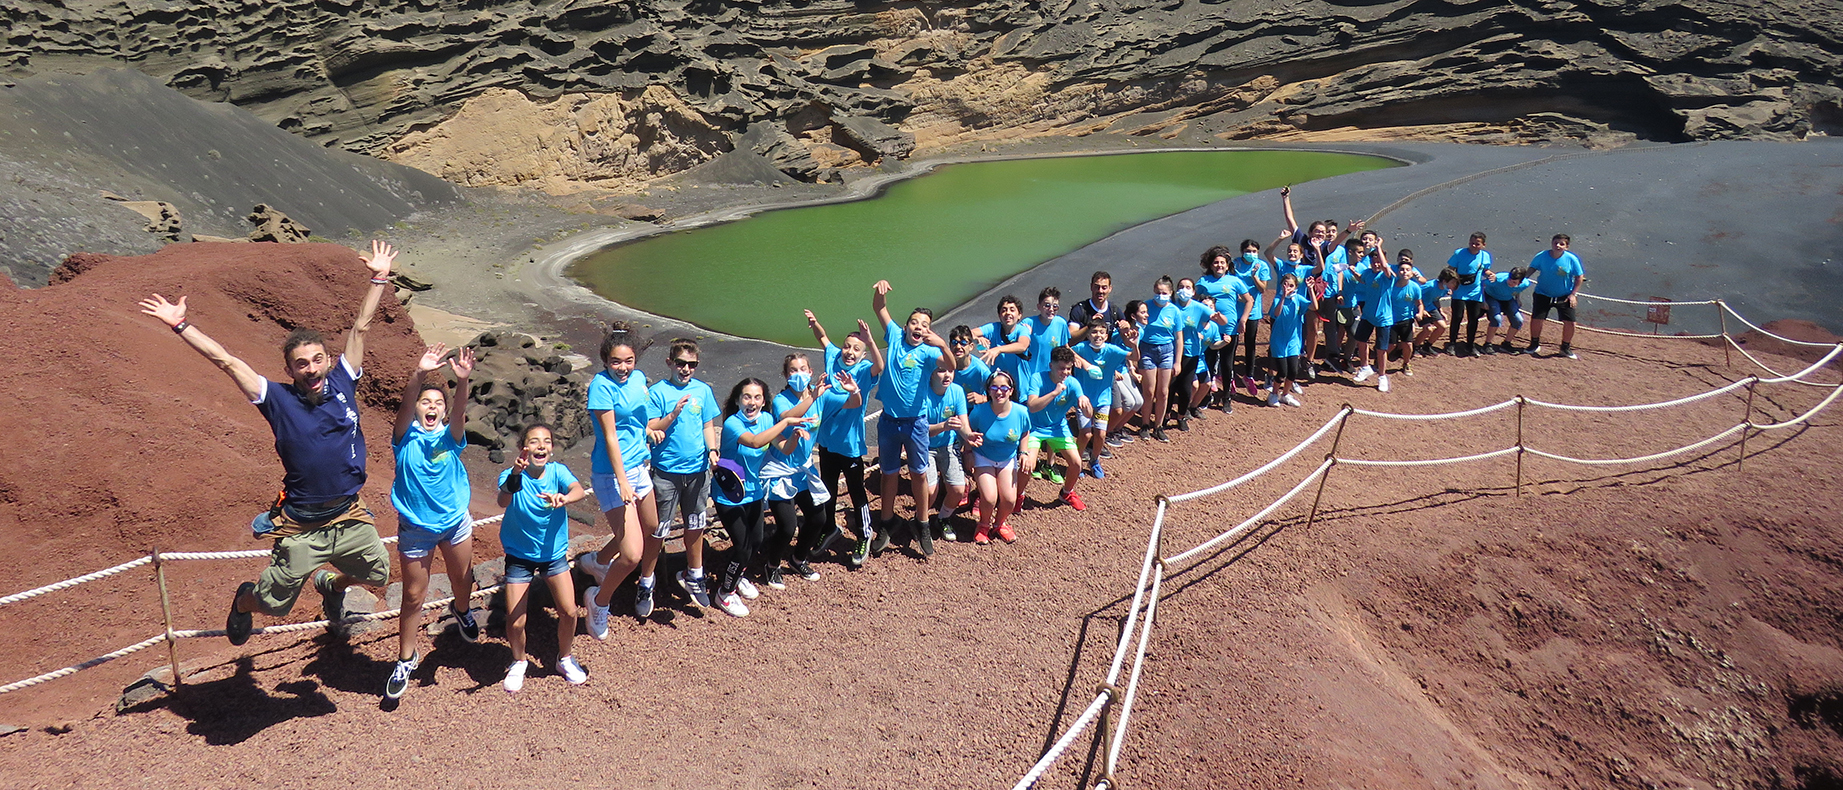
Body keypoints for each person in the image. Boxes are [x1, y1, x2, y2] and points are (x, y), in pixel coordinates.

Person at [140, 240, 397, 647]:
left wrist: (379, 277)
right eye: (301, 363)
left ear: (328, 360)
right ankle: (243, 602)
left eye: (317, 360)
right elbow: (225, 360)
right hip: (301, 525)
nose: (311, 369)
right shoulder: (276, 398)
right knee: (275, 605)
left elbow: (360, 327)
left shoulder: (345, 379)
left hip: (349, 513)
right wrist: (179, 324)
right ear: (289, 369)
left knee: (378, 573)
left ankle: (331, 584)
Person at [384, 342, 479, 700]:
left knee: (462, 578)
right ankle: (405, 658)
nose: (432, 407)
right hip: (416, 528)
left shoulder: (450, 438)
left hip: (454, 522)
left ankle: (462, 610)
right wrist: (419, 375)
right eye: (427, 402)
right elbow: (406, 405)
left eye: (438, 403)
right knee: (412, 595)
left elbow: (459, 414)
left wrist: (463, 382)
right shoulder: (403, 437)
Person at [495, 423, 589, 692]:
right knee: (516, 619)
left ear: (552, 448)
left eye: (546, 441)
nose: (541, 446)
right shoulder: (511, 475)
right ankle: (519, 661)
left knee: (569, 611)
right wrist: (516, 471)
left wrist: (564, 498)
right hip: (519, 555)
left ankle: (565, 658)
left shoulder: (557, 471)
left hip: (552, 554)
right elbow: (503, 500)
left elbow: (579, 491)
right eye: (534, 441)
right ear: (523, 447)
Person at [633, 339, 719, 624]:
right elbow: (650, 428)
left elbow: (707, 424)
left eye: (691, 365)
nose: (686, 369)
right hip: (666, 474)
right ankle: (646, 584)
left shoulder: (703, 391)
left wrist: (713, 450)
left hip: (697, 473)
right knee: (657, 532)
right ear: (669, 363)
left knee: (696, 525)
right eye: (681, 363)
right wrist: (673, 414)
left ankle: (695, 575)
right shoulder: (657, 392)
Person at [581, 323, 660, 629]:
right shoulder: (601, 386)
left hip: (640, 465)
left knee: (652, 526)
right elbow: (610, 437)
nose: (623, 368)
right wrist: (623, 481)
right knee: (631, 556)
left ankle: (598, 562)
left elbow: (638, 418)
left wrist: (649, 430)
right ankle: (598, 601)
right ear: (605, 360)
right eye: (616, 362)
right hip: (613, 474)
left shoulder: (639, 379)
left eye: (628, 361)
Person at [712, 378, 812, 617]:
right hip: (730, 495)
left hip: (755, 492)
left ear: (763, 401)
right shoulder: (733, 424)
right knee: (743, 547)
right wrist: (786, 421)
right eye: (747, 397)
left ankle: (738, 577)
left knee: (756, 541)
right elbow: (756, 442)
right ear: (737, 400)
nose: (752, 402)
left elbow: (783, 447)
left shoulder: (766, 420)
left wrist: (795, 436)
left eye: (757, 397)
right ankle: (725, 593)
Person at [869, 280, 955, 558]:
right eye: (914, 322)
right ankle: (886, 521)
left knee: (919, 473)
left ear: (929, 331)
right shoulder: (894, 335)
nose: (919, 327)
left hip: (917, 422)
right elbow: (879, 308)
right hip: (890, 421)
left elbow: (951, 366)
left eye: (925, 325)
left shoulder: (930, 351)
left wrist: (941, 343)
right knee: (888, 473)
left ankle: (923, 522)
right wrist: (879, 291)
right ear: (905, 326)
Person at [807, 312, 885, 567]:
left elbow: (880, 367)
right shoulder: (833, 359)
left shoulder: (863, 370)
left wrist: (871, 341)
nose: (850, 352)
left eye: (856, 349)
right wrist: (815, 323)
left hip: (850, 446)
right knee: (827, 489)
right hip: (827, 442)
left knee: (856, 491)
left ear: (862, 354)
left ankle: (864, 534)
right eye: (847, 346)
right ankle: (829, 528)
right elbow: (823, 338)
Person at [763, 355, 827, 579]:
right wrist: (813, 397)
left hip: (804, 472)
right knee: (787, 526)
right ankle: (771, 565)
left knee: (818, 518)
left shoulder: (820, 397)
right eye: (792, 371)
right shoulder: (781, 400)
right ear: (786, 375)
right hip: (780, 472)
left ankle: (798, 559)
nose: (798, 374)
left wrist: (855, 391)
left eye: (802, 369)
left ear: (810, 372)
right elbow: (789, 416)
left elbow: (850, 404)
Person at [1019, 345, 1092, 517]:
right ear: (1051, 365)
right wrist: (1054, 392)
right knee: (1028, 465)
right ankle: (1018, 497)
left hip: (1058, 428)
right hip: (1034, 427)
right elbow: (1032, 406)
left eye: (1068, 368)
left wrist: (1085, 402)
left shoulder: (1073, 383)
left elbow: (1088, 414)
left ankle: (1066, 492)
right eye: (1061, 368)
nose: (1065, 372)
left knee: (1076, 463)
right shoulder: (1038, 378)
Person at [960, 371, 1032, 544]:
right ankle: (983, 525)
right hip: (983, 456)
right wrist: (968, 453)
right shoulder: (979, 411)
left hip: (1007, 458)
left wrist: (1023, 453)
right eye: (994, 387)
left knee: (1009, 499)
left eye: (1004, 388)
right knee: (990, 496)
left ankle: (999, 524)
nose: (999, 392)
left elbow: (1024, 432)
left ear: (1011, 390)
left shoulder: (1021, 412)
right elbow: (969, 432)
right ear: (988, 391)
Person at [1073, 314, 1130, 478]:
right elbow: (1064, 349)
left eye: (1101, 332)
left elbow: (1133, 356)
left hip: (1102, 401)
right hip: (1084, 400)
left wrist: (1132, 343)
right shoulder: (1081, 348)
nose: (1098, 335)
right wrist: (1081, 361)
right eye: (1094, 332)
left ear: (1106, 335)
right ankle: (1076, 462)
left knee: (1101, 434)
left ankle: (1094, 460)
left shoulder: (1111, 350)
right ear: (1088, 334)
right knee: (1085, 434)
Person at [922, 363, 968, 548]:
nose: (947, 375)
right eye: (941, 370)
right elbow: (921, 431)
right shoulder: (922, 393)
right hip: (924, 447)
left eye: (950, 370)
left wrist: (970, 436)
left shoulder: (957, 391)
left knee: (958, 489)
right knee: (931, 490)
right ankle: (921, 522)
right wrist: (945, 426)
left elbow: (963, 423)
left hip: (948, 445)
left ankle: (942, 518)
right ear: (931, 373)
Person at [1172, 277, 1230, 424]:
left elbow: (1213, 345)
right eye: (1205, 306)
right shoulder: (1194, 319)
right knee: (1193, 385)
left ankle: (1193, 407)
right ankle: (1182, 410)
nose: (1208, 310)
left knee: (1207, 384)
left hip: (1199, 358)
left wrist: (1223, 342)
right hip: (1185, 354)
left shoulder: (1213, 327)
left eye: (1211, 307)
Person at [1135, 277, 1183, 443]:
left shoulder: (1175, 311)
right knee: (1149, 391)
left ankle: (1159, 426)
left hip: (1167, 351)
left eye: (1164, 293)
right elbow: (1137, 327)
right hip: (1147, 349)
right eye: (1157, 292)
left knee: (1163, 392)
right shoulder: (1146, 306)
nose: (1160, 296)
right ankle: (1145, 424)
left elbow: (1178, 338)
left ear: (1170, 293)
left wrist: (1177, 361)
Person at [1525, 234, 1586, 359]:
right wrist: (1522, 280)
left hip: (1564, 295)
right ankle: (1534, 344)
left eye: (1561, 244)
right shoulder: (1542, 256)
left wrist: (1573, 294)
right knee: (1537, 319)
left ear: (1567, 246)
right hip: (1543, 293)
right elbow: (1532, 268)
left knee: (1570, 323)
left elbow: (1579, 276)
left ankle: (1565, 348)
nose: (1558, 245)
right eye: (1555, 243)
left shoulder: (1572, 259)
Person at [1229, 239, 1273, 397]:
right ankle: (1229, 375)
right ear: (1242, 251)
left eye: (1254, 251)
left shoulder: (1261, 266)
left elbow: (1262, 289)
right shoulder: (1234, 264)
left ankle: (1249, 376)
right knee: (1232, 344)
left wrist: (1254, 276)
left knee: (1250, 343)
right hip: (1234, 310)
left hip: (1253, 311)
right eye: (1248, 251)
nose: (1251, 254)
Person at [1266, 274, 1317, 407]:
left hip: (1293, 341)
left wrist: (1310, 289)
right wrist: (1283, 296)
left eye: (1291, 285)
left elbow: (1314, 307)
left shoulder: (1298, 299)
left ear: (1296, 287)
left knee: (1293, 371)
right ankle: (1274, 394)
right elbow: (1276, 313)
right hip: (1279, 341)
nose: (1288, 288)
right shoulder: (1278, 299)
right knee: (1282, 372)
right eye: (1285, 284)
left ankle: (1285, 395)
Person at [1445, 232, 1492, 356]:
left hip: (1475, 292)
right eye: (1472, 243)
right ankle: (1452, 344)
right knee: (1457, 317)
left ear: (1483, 245)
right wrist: (1450, 285)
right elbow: (1450, 269)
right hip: (1459, 291)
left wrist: (1490, 274)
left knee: (1473, 319)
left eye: (1477, 244)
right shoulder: (1459, 253)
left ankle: (1470, 345)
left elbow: (1484, 270)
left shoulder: (1485, 256)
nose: (1474, 246)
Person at [1387, 254, 1426, 379]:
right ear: (1398, 272)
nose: (1405, 272)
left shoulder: (1415, 287)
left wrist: (1420, 313)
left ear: (1411, 272)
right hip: (1391, 320)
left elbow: (1419, 304)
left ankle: (1406, 363)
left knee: (1408, 344)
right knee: (1391, 345)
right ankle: (1379, 360)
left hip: (1406, 320)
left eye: (1407, 270)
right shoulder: (1391, 286)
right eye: (1402, 270)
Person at [1481, 266, 1534, 354]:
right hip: (1492, 296)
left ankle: (1506, 344)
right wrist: (1483, 301)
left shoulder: (1525, 284)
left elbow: (1518, 289)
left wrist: (1517, 299)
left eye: (1514, 282)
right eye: (1510, 279)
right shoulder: (1498, 280)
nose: (1510, 282)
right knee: (1497, 319)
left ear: (1520, 282)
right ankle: (1487, 344)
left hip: (1507, 298)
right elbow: (1482, 284)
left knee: (1518, 320)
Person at [1068, 271, 1125, 342]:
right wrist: (1089, 327)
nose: (1100, 291)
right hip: (1082, 352)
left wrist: (1126, 328)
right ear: (1091, 287)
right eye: (1097, 287)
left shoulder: (1115, 311)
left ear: (1110, 289)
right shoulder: (1080, 310)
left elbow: (1126, 340)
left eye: (1104, 287)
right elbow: (1070, 338)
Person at [1414, 268, 1457, 356]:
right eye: (1452, 282)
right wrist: (1422, 310)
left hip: (1430, 306)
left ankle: (1427, 346)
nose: (1454, 285)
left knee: (1442, 327)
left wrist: (1440, 311)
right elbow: (1415, 296)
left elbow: (1436, 299)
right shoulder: (1429, 286)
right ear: (1445, 281)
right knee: (1428, 329)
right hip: (1418, 307)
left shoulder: (1445, 289)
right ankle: (1415, 347)